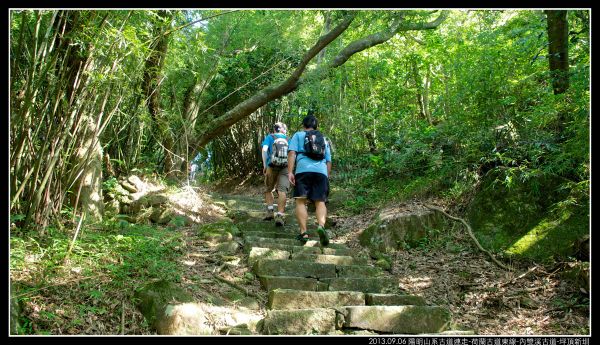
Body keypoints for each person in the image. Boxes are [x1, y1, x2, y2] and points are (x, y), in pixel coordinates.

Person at [287, 114, 332, 246]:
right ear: (316, 126)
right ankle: (321, 227)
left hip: (303, 170)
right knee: (320, 201)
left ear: (303, 125)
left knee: (301, 201)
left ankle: (304, 233)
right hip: (321, 172)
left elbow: (292, 153)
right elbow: (329, 160)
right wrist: (326, 176)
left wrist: (290, 172)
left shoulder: (298, 135)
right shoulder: (323, 139)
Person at [261, 122, 290, 226]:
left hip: (271, 166)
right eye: (285, 129)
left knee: (268, 189)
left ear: (275, 129)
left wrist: (265, 165)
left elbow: (264, 150)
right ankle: (280, 216)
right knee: (282, 191)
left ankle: (270, 211)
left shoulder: (270, 137)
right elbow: (291, 154)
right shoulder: (288, 139)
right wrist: (291, 170)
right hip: (285, 167)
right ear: (282, 130)